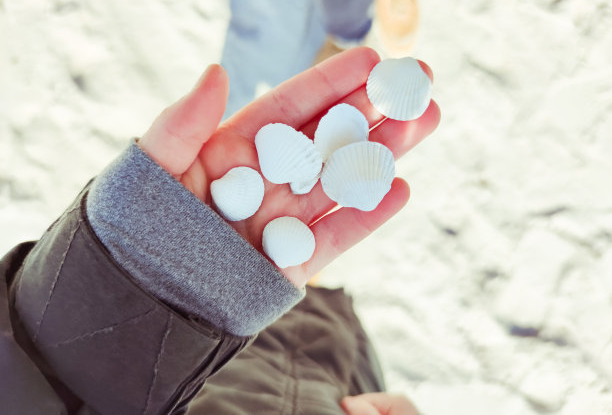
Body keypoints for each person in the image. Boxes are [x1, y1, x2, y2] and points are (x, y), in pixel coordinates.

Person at [0, 47, 440, 414]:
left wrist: (128, 284)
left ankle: (300, 269)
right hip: (323, 376)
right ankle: (306, 280)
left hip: (193, 358)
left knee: (294, 271)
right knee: (318, 315)